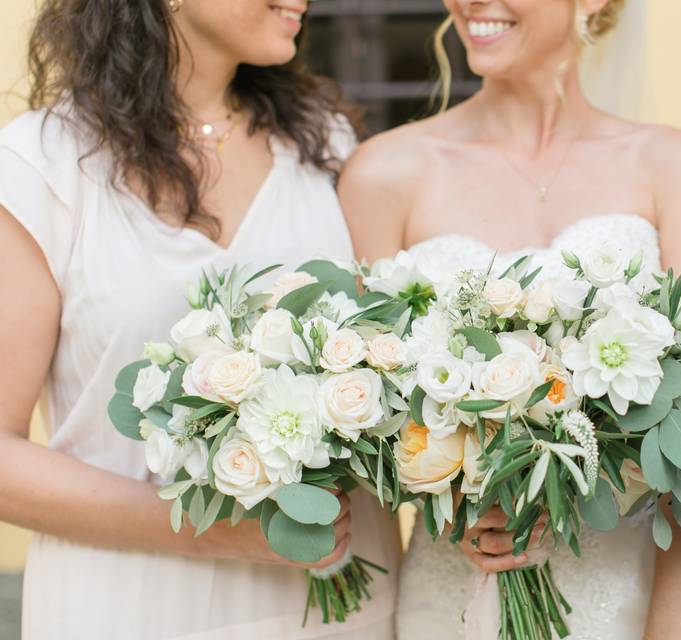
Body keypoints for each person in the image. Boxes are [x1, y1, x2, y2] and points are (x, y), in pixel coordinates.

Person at [0, 1, 399, 638]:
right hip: (131, 607)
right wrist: (208, 531)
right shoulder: (42, 166)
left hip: (338, 609)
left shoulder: (325, 143)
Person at [339, 0, 681, 637]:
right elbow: (364, 418)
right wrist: (448, 508)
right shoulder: (384, 173)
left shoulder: (677, 165)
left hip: (632, 592)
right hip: (455, 600)